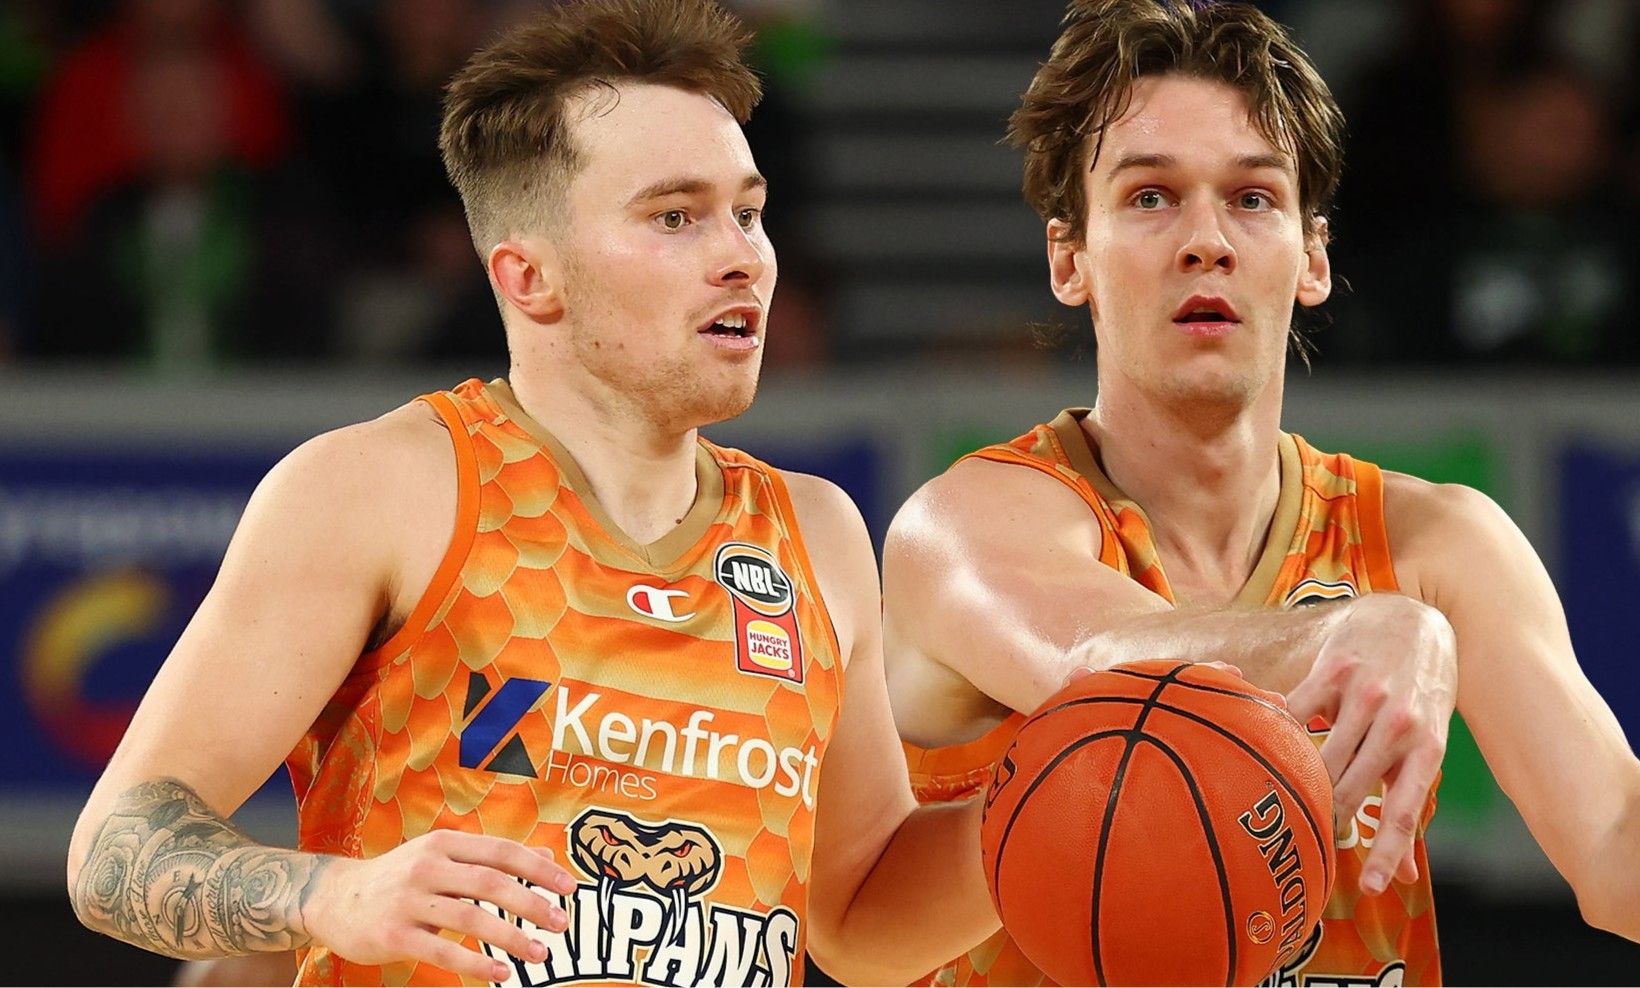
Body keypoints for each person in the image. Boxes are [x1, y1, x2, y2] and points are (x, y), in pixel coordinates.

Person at [64, 2, 998, 985]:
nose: (742, 256)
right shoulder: (382, 489)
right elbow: (117, 848)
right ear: (528, 276)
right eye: (675, 217)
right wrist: (333, 895)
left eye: (748, 212)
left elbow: (859, 923)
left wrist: (1054, 797)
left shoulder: (818, 533)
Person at [881, 2, 1640, 985]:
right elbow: (1096, 660)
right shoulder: (964, 524)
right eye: (1150, 196)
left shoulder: (1437, 542)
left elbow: (1626, 846)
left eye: (1252, 198)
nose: (1206, 240)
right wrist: (1346, 632)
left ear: (1315, 257)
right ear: (1068, 258)